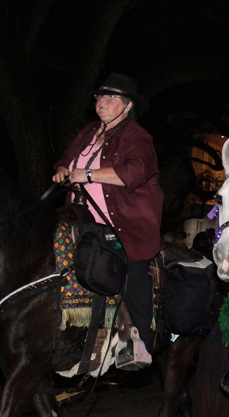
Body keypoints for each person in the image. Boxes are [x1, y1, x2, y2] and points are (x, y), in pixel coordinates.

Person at [52, 73, 164, 369]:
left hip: (125, 224)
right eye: (100, 97)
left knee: (132, 271)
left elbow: (135, 171)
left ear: (127, 107)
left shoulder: (138, 137)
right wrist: (63, 169)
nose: (103, 102)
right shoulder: (89, 131)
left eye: (111, 98)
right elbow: (67, 158)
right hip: (82, 219)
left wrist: (86, 175)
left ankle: (136, 342)